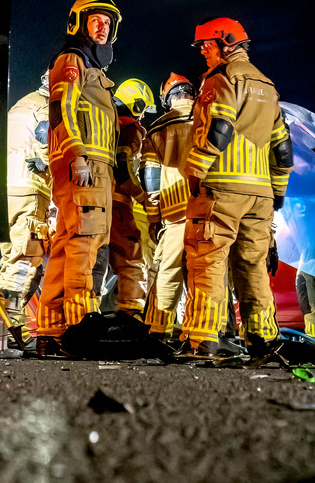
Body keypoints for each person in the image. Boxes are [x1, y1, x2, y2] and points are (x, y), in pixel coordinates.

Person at [179, 18, 293, 359]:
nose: (202, 52)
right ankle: (262, 340)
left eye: (206, 45)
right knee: (253, 266)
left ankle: (203, 339)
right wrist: (278, 191)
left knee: (207, 261)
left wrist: (194, 171)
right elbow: (283, 148)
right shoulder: (267, 86)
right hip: (260, 194)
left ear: (226, 42)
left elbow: (220, 129)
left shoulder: (222, 79)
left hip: (222, 188)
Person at [35, 0, 122, 355]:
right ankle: (79, 324)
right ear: (79, 23)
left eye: (107, 22)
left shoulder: (93, 68)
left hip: (92, 167)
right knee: (84, 244)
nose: (102, 27)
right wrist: (77, 155)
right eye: (95, 20)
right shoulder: (73, 59)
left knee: (68, 246)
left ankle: (51, 331)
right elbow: (63, 110)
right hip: (83, 165)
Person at [141, 73, 195, 343]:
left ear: (166, 99)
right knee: (207, 274)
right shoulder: (211, 120)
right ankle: (203, 335)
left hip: (174, 214)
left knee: (168, 272)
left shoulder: (157, 128)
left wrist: (154, 218)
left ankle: (158, 333)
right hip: (208, 211)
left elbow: (150, 178)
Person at [0, 74, 51, 308]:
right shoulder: (47, 106)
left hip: (6, 189)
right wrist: (46, 162)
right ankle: (12, 324)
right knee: (25, 260)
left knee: (10, 258)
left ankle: (6, 323)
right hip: (30, 189)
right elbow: (46, 134)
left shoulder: (21, 104)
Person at [106, 78, 155, 316]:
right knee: (131, 258)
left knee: (94, 264)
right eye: (143, 109)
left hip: (91, 202)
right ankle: (131, 314)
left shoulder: (104, 121)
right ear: (136, 105)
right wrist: (143, 198)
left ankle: (84, 317)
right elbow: (124, 168)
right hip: (117, 203)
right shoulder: (130, 129)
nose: (143, 115)